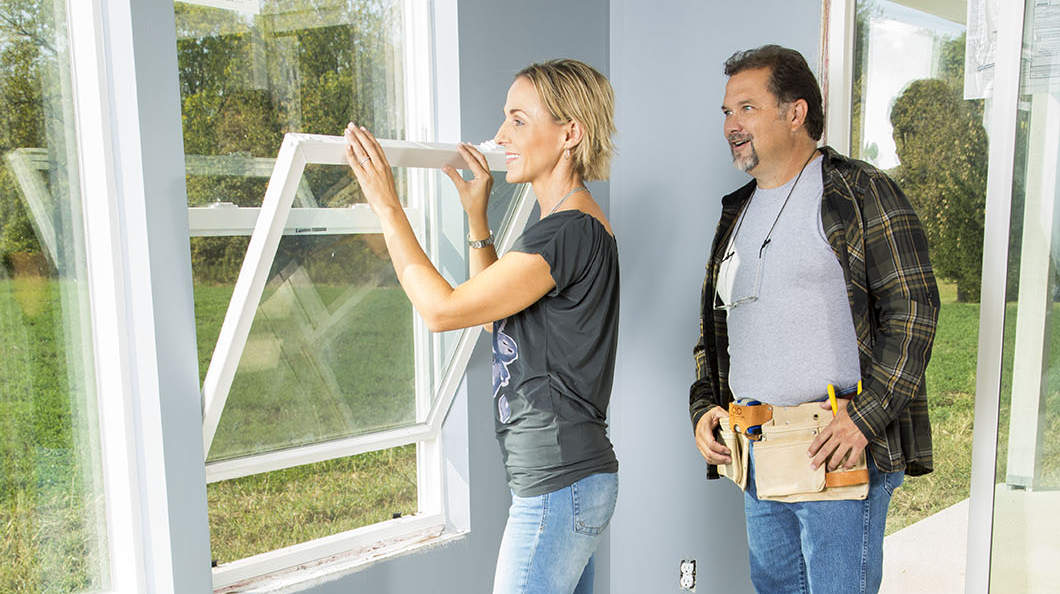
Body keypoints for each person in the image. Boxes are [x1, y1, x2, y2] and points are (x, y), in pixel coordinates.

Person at [343, 58, 619, 594]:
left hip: (558, 484)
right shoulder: (571, 227)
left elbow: (442, 311)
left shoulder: (565, 232)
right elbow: (499, 325)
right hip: (571, 480)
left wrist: (387, 206)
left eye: (518, 120)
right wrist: (477, 221)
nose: (500, 136)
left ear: (570, 133)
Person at [689, 45, 939, 593]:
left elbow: (914, 308)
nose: (731, 125)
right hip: (756, 452)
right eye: (727, 112)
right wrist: (706, 404)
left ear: (795, 112)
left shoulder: (857, 191)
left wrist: (864, 418)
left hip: (836, 446)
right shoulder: (738, 210)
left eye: (747, 109)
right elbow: (717, 330)